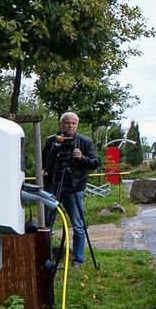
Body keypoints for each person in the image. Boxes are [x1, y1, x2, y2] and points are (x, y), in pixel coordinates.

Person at [42, 112, 99, 265]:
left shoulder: (84, 142)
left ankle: (78, 259)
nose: (70, 126)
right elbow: (43, 161)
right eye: (67, 123)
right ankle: (45, 256)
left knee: (78, 225)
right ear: (61, 124)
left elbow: (95, 163)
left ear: (77, 124)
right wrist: (43, 170)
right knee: (47, 224)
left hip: (75, 187)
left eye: (74, 123)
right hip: (52, 187)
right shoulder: (52, 141)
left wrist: (82, 158)